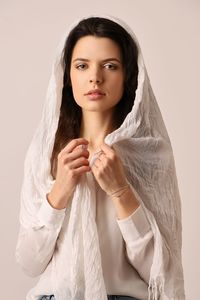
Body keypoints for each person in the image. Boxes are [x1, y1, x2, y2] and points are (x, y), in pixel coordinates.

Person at [15, 14, 185, 300]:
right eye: (82, 66)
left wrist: (121, 191)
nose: (95, 77)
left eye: (110, 66)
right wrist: (58, 193)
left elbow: (162, 273)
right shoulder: (46, 153)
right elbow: (29, 262)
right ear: (67, 76)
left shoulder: (148, 156)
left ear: (129, 76)